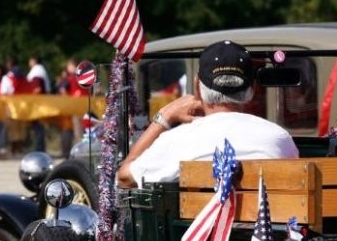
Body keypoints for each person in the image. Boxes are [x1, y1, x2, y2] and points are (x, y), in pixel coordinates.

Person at [118, 40, 298, 188]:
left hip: (200, 232)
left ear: (197, 86)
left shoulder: (178, 140)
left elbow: (124, 178)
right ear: (251, 89)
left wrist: (163, 117)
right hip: (265, 231)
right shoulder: (278, 137)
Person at [26, 54, 51, 153]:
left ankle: (39, 149)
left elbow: (37, 89)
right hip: (41, 103)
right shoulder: (41, 71)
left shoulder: (37, 72)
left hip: (38, 104)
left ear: (34, 60)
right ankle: (40, 148)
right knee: (39, 128)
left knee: (38, 127)